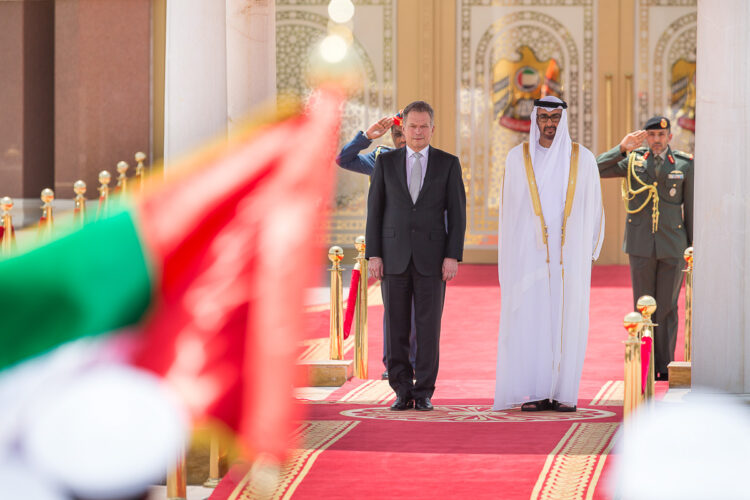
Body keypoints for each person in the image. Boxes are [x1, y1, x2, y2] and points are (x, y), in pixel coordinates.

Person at [493, 96, 604, 412]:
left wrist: (590, 249)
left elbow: (594, 207)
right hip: (531, 257)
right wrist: (513, 256)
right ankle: (539, 391)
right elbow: (509, 212)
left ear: (564, 119)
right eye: (544, 117)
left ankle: (564, 393)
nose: (550, 123)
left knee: (567, 321)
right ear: (535, 119)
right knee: (536, 320)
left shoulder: (583, 159)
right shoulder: (518, 158)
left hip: (570, 259)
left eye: (555, 117)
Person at [366, 100, 466, 411]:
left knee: (427, 327)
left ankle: (423, 391)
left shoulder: (448, 164)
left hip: (432, 259)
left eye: (424, 126)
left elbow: (458, 213)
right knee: (395, 326)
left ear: (432, 129)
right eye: (413, 126)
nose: (418, 131)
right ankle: (400, 389)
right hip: (393, 257)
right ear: (403, 129)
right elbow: (375, 211)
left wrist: (452, 256)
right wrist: (374, 255)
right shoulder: (386, 162)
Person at [597, 116, 694, 381]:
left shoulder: (684, 165)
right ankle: (646, 365)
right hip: (641, 245)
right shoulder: (633, 161)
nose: (656, 140)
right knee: (643, 306)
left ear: (670, 138)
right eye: (651, 135)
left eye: (661, 136)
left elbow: (691, 208)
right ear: (645, 138)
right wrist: (621, 148)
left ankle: (665, 366)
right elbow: (595, 169)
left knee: (667, 307)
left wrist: (692, 247)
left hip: (673, 246)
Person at [335, 114, 416, 380]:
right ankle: (393, 365)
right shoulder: (381, 158)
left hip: (421, 244)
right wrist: (367, 137)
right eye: (397, 136)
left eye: (405, 133)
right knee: (394, 308)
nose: (402, 140)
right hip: (391, 245)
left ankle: (414, 363)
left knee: (418, 311)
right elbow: (344, 159)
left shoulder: (432, 160)